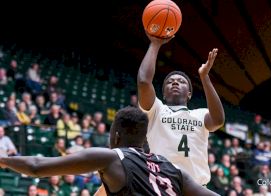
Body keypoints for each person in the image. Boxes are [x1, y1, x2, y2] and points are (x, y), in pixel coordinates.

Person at [0, 107, 218, 196]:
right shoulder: (175, 170)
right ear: (144, 140)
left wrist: (3, 160)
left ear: (114, 136)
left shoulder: (111, 157)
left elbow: (36, 167)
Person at [137, 33, 225, 185]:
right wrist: (155, 44)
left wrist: (204, 77)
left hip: (196, 188)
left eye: (181, 82)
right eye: (170, 82)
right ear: (163, 93)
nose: (175, 83)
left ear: (189, 93)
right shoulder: (156, 110)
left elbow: (218, 120)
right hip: (162, 186)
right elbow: (144, 82)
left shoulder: (201, 114)